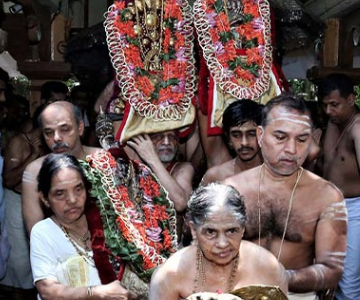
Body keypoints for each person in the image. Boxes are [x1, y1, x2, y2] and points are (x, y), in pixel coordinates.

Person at [224, 93, 347, 299]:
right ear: (261, 135)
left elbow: (332, 270)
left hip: (296, 295)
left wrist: (279, 277)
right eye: (280, 137)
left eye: (301, 139)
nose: (291, 149)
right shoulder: (231, 190)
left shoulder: (327, 196)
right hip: (237, 292)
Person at [149, 182, 288, 300]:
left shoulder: (268, 268)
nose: (222, 244)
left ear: (243, 229)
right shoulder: (170, 275)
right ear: (193, 230)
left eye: (231, 231)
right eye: (210, 232)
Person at [31, 153, 138, 300]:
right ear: (45, 199)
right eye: (60, 193)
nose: (72, 199)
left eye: (78, 189)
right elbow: (47, 291)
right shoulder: (43, 232)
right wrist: (96, 292)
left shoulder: (104, 219)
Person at [22, 101, 99, 234]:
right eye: (49, 132)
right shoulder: (35, 171)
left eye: (64, 129)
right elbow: (35, 233)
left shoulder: (103, 160)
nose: (56, 138)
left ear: (80, 128)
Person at [318, 73, 360, 300]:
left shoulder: (357, 128)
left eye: (334, 105)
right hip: (329, 208)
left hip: (354, 210)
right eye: (325, 105)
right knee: (328, 275)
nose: (328, 111)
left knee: (349, 281)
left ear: (351, 100)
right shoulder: (333, 125)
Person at [0, 102, 46, 300]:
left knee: (35, 264)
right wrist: (34, 155)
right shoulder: (18, 142)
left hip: (40, 207)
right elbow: (9, 180)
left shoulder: (52, 144)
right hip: (15, 206)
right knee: (18, 265)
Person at [127, 130, 194, 242]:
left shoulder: (183, 168)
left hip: (171, 250)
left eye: (172, 137)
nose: (167, 142)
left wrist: (152, 158)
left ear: (178, 143)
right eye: (159, 136)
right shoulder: (136, 167)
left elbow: (180, 203)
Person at [201, 100, 263, 184]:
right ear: (228, 138)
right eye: (236, 135)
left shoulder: (276, 174)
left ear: (262, 134)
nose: (244, 143)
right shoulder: (216, 176)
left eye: (251, 134)